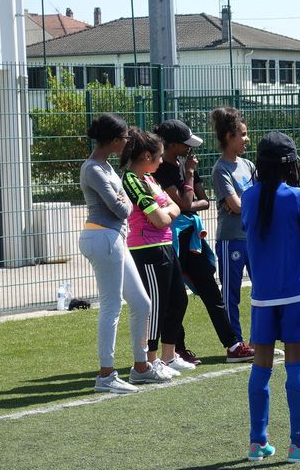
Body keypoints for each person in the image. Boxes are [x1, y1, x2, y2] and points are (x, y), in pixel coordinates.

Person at [241, 131, 300, 463]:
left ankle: (257, 443)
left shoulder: (248, 197)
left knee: (261, 369)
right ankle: (299, 444)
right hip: (297, 292)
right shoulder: (298, 197)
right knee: (297, 367)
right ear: (291, 164)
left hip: (262, 296)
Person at [153, 119, 253, 365]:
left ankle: (232, 344)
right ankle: (177, 349)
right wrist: (188, 177)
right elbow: (187, 204)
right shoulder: (161, 169)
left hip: (192, 239)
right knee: (175, 297)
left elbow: (202, 201)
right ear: (172, 145)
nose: (190, 149)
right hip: (171, 240)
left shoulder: (185, 163)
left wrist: (187, 201)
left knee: (210, 290)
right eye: (185, 144)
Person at [77, 114, 165, 393]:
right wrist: (123, 199)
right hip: (103, 237)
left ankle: (140, 368)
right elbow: (123, 209)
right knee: (112, 306)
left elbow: (124, 200)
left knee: (141, 303)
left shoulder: (107, 168)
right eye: (125, 137)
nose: (128, 142)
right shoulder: (93, 168)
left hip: (114, 239)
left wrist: (123, 198)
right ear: (114, 140)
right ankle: (106, 375)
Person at [120, 128, 191, 377]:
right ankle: (149, 361)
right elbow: (160, 218)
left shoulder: (150, 179)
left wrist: (168, 212)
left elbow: (174, 208)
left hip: (165, 245)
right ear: (146, 155)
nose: (162, 161)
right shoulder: (132, 180)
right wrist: (168, 212)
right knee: (155, 306)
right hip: (146, 250)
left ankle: (169, 357)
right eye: (159, 156)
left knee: (179, 300)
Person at [210, 107, 258, 362]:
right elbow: (236, 206)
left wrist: (245, 204)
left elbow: (247, 202)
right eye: (243, 134)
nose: (247, 139)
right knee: (231, 293)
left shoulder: (248, 165)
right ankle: (234, 345)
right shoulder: (221, 170)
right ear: (229, 137)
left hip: (253, 237)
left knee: (261, 288)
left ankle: (257, 340)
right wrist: (247, 204)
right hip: (231, 240)